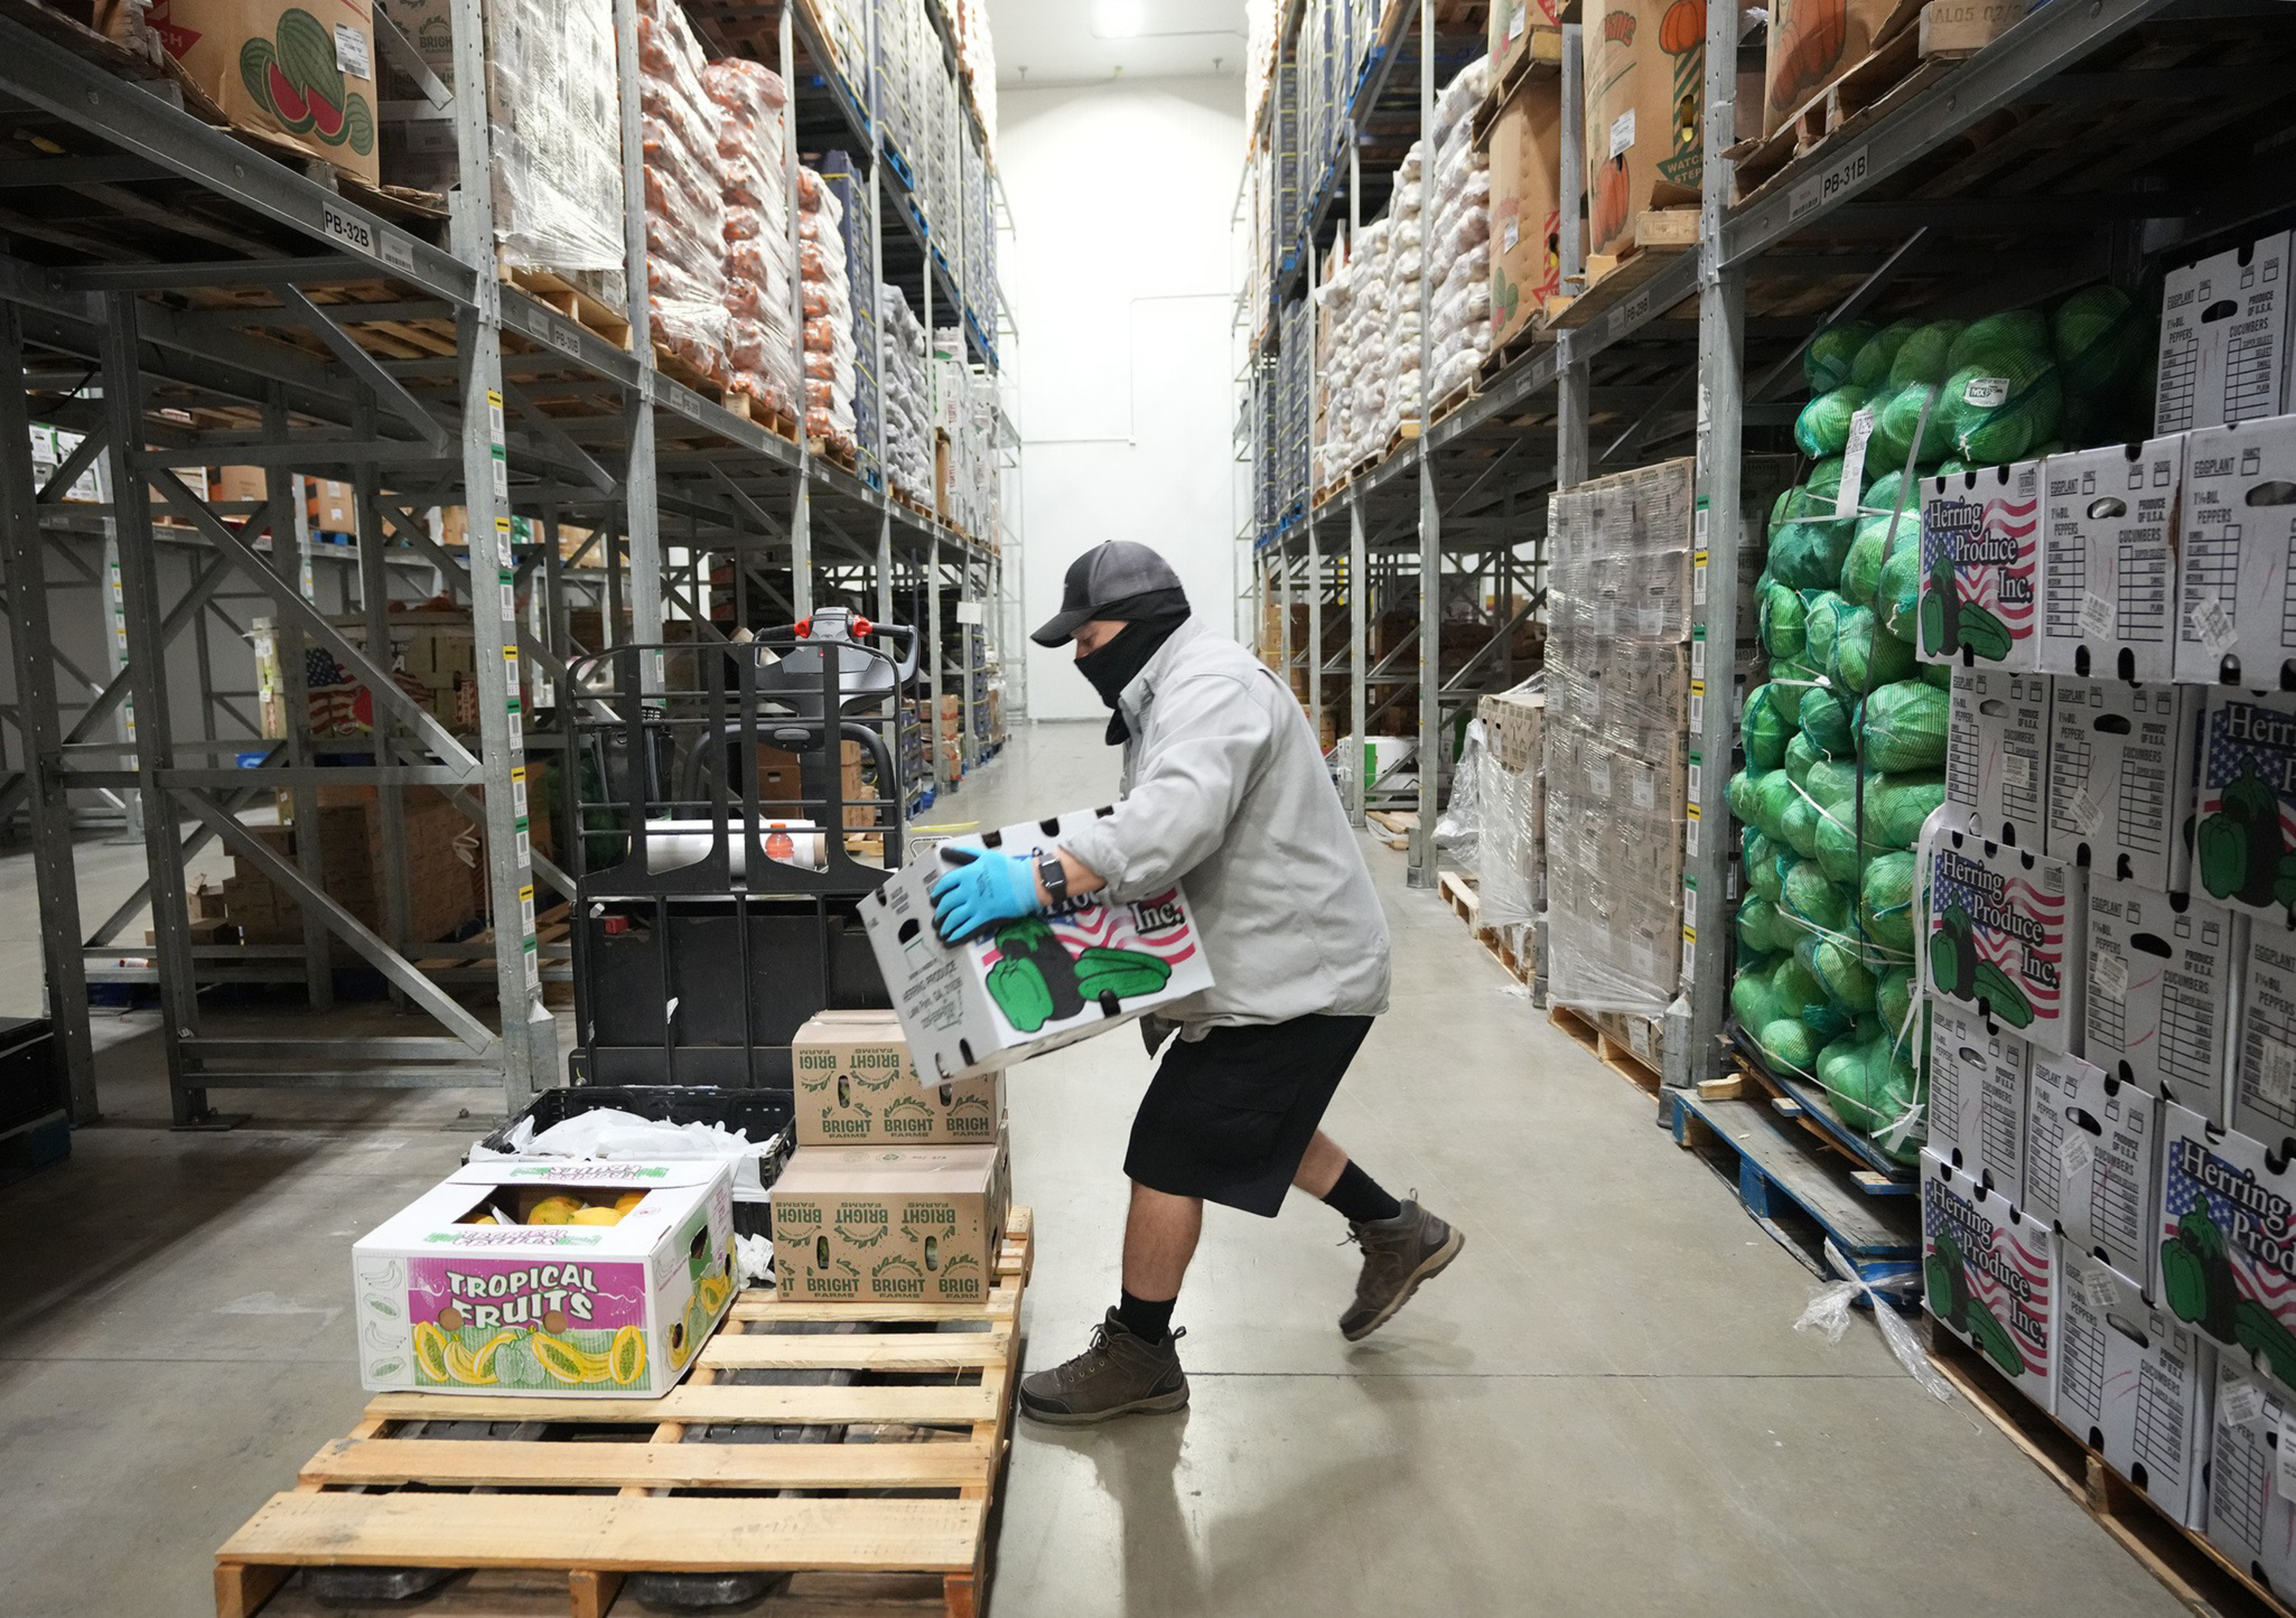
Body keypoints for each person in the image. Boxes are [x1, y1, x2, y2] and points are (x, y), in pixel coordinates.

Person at [927, 540, 1465, 1426]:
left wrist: (1035, 880)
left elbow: (1166, 829)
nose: (1076, 657)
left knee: (1170, 1148)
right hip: (1267, 960)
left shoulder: (1210, 690)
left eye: (1086, 637)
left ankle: (1141, 1352)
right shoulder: (1173, 689)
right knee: (1250, 1121)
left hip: (1301, 973)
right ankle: (1399, 1232)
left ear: (1134, 627)